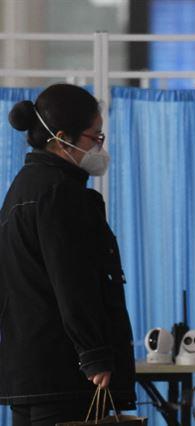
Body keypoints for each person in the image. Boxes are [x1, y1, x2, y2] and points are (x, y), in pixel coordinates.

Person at [0, 84, 135, 425]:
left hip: (27, 369)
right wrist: (94, 354)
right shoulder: (61, 193)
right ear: (62, 138)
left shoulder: (22, 187)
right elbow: (73, 281)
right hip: (63, 373)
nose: (100, 147)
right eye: (95, 138)